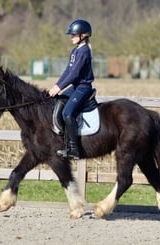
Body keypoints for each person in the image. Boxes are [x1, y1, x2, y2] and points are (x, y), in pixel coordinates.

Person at [48, 19, 95, 160]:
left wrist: (60, 87)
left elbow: (75, 74)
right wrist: (56, 86)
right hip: (75, 87)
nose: (71, 37)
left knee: (68, 112)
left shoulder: (84, 51)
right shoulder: (75, 51)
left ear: (83, 35)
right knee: (57, 102)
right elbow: (68, 71)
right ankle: (63, 141)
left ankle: (74, 149)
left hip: (83, 88)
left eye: (74, 35)